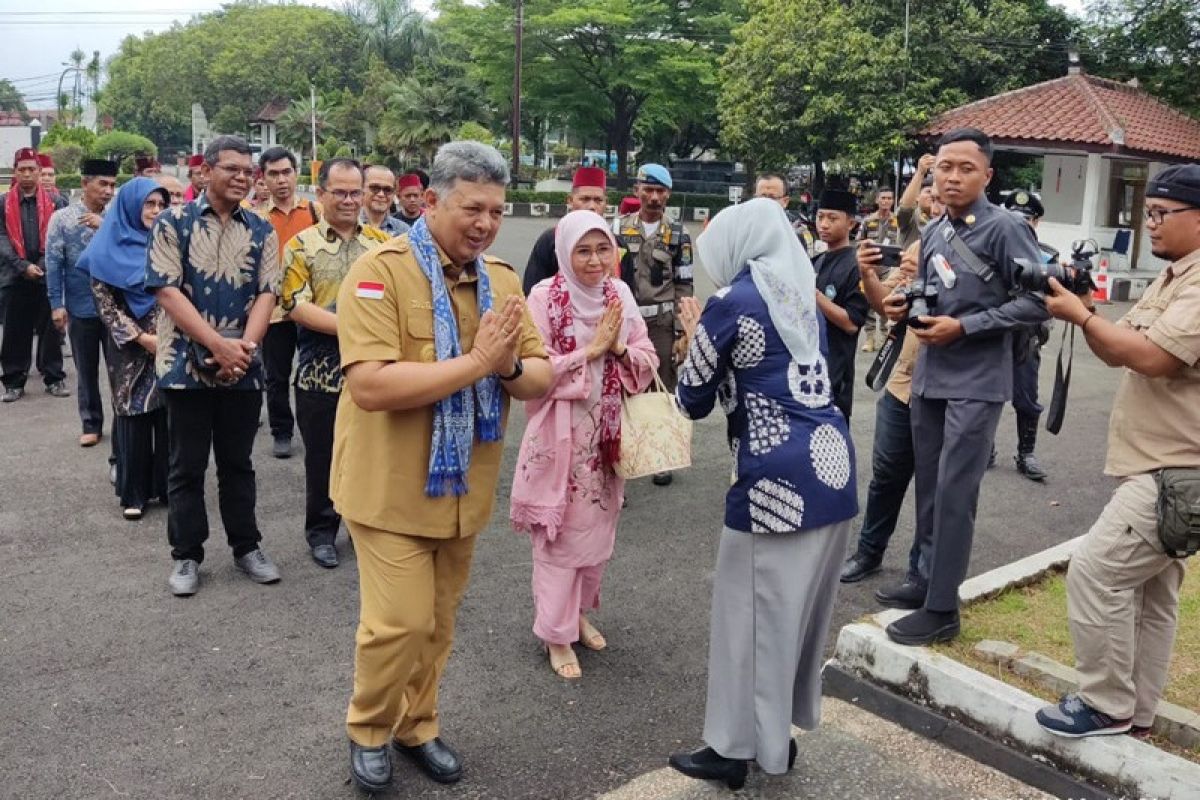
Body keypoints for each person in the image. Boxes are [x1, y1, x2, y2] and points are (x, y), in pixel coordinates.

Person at [332, 141, 551, 793]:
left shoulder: (504, 281)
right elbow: (370, 385)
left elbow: (537, 374)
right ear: (430, 202)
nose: (485, 224)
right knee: (397, 621)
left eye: (496, 211)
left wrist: (506, 365)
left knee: (438, 623)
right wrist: (479, 364)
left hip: (462, 490)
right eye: (472, 209)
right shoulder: (380, 273)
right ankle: (369, 728)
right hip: (389, 487)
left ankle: (417, 725)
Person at [668, 198, 858, 790]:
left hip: (775, 482)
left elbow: (691, 398)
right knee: (793, 617)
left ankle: (732, 751)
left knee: (746, 617)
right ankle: (778, 733)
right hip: (832, 468)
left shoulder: (731, 303)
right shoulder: (800, 296)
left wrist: (697, 334)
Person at [1034, 164, 1200, 739]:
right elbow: (1121, 348)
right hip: (1162, 469)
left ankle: (1106, 703)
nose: (1147, 223)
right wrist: (1084, 306)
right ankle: (1139, 713)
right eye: (1146, 211)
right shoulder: (1173, 276)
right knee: (1152, 596)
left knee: (1094, 574)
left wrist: (1079, 315)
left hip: (1178, 473)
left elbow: (1156, 359)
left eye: (1160, 213)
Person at [878, 128, 1047, 646]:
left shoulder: (1005, 228)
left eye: (965, 168)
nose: (951, 177)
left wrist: (966, 327)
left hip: (977, 378)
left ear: (987, 175)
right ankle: (927, 580)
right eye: (944, 167)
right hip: (930, 374)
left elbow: (1037, 302)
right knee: (928, 486)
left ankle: (943, 609)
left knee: (955, 491)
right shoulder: (933, 229)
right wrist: (904, 306)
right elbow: (934, 290)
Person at [511, 210, 658, 679]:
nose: (595, 261)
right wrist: (589, 352)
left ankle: (576, 613)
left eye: (603, 249)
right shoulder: (541, 296)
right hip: (559, 439)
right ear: (563, 253)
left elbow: (647, 358)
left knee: (595, 536)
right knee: (559, 538)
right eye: (583, 250)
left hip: (605, 440)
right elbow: (529, 370)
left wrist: (616, 349)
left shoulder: (620, 294)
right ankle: (555, 634)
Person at [145, 134, 283, 597]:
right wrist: (215, 346)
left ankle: (247, 546)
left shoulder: (262, 229)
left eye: (249, 170)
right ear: (205, 171)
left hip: (243, 366)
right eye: (232, 169)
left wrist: (241, 349)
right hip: (184, 366)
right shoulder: (172, 222)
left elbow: (269, 293)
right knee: (185, 466)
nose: (243, 177)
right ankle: (186, 555)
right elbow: (166, 291)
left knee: (238, 463)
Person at [279, 158, 390, 569]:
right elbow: (294, 305)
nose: (348, 200)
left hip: (375, 372)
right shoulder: (300, 245)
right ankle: (322, 532)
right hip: (319, 373)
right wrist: (357, 328)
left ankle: (363, 529)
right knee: (323, 458)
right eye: (339, 192)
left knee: (371, 456)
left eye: (355, 192)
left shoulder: (383, 245)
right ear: (320, 193)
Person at [83, 178, 171, 520]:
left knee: (167, 414)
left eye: (161, 205)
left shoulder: (168, 244)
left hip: (168, 343)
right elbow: (105, 306)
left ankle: (165, 486)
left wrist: (166, 336)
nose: (156, 211)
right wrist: (141, 338)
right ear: (131, 206)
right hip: (129, 350)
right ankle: (133, 493)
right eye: (149, 204)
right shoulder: (105, 248)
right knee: (133, 414)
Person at [615, 163, 693, 486]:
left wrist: (682, 330)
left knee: (663, 386)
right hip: (627, 325)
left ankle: (661, 457)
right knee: (623, 386)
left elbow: (684, 285)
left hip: (661, 322)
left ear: (668, 195)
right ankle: (622, 452)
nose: (654, 197)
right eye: (648, 190)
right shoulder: (619, 229)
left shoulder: (677, 235)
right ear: (637, 191)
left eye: (660, 191)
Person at [44, 158, 118, 446]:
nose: (108, 191)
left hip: (116, 309)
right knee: (86, 370)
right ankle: (91, 423)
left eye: (113, 185)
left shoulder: (118, 217)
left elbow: (132, 250)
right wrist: (56, 303)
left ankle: (124, 421)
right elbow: (54, 263)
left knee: (120, 370)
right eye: (103, 184)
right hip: (80, 306)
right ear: (85, 184)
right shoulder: (62, 218)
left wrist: (107, 226)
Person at [258, 146, 320, 459]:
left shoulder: (314, 211)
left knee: (312, 373)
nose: (281, 180)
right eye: (274, 174)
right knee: (276, 375)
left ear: (296, 173)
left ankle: (314, 428)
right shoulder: (256, 218)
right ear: (264, 178)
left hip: (312, 309)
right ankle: (281, 431)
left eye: (286, 172)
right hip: (274, 312)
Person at [1, 147, 69, 403]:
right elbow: (1, 238)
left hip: (47, 275)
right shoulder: (2, 203)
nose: (27, 174)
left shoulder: (56, 202)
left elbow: (58, 237)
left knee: (51, 329)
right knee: (14, 331)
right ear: (15, 173)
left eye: (32, 170)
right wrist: (21, 265)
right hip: (13, 276)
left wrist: (40, 263)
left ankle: (53, 378)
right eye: (22, 170)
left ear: (40, 173)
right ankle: (14, 381)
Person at [994, 190, 1054, 481]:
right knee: (986, 393)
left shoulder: (1047, 255)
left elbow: (1052, 301)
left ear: (1036, 221)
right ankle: (985, 448)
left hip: (1027, 338)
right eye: (1015, 218)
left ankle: (1026, 453)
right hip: (994, 332)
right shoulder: (993, 248)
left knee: (1027, 397)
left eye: (1027, 219)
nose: (1022, 224)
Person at [811, 188, 869, 420]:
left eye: (832, 218)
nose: (824, 224)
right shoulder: (815, 261)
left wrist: (815, 296)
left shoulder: (857, 265)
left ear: (851, 223)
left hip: (836, 376)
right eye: (820, 217)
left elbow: (852, 324)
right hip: (808, 371)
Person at [521, 166, 609, 294]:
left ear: (606, 203)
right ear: (570, 201)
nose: (592, 206)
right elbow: (531, 290)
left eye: (598, 200)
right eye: (584, 199)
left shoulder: (616, 244)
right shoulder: (550, 240)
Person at [755, 173, 815, 255]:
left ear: (785, 201)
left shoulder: (797, 233)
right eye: (762, 197)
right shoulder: (742, 229)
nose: (766, 202)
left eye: (772, 198)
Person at [897, 155, 939, 249]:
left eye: (934, 193)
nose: (931, 196)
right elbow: (905, 207)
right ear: (917, 197)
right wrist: (920, 172)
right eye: (928, 192)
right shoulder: (912, 217)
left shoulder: (944, 218)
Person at [360, 164, 410, 237]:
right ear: (362, 188)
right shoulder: (347, 226)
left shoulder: (403, 232)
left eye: (387, 190)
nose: (381, 194)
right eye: (375, 188)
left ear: (394, 193)